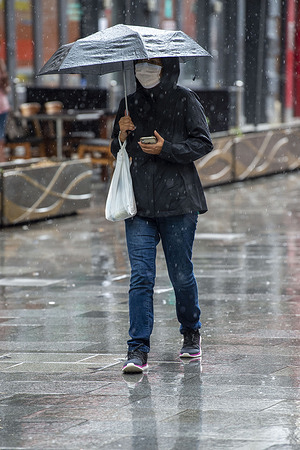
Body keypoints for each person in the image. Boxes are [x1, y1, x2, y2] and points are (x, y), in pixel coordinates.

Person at [110, 57, 213, 374]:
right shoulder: (129, 103)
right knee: (141, 276)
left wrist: (167, 148)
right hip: (138, 205)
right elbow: (117, 152)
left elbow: (202, 142)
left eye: (153, 64)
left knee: (181, 274)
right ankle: (137, 349)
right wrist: (121, 137)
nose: (145, 70)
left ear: (166, 67)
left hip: (179, 202)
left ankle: (191, 333)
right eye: (141, 64)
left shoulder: (185, 98)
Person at [0, 56, 10, 162]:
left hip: (2, 107)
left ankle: (2, 162)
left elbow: (6, 85)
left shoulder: (1, 63)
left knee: (0, 138)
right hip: (3, 105)